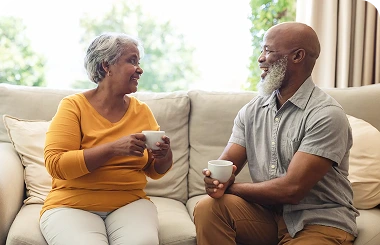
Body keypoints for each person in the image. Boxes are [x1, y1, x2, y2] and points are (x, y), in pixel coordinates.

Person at [194, 22, 358, 245]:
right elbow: (225, 166)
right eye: (262, 50)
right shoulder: (252, 111)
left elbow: (292, 190)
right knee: (208, 208)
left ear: (298, 56)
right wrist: (214, 181)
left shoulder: (326, 115)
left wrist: (231, 187)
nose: (260, 58)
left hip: (319, 221)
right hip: (269, 216)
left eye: (268, 50)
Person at [39, 32, 173, 245]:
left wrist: (164, 156)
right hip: (71, 204)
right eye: (132, 61)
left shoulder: (142, 111)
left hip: (130, 203)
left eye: (139, 62)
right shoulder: (73, 106)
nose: (140, 69)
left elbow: (153, 170)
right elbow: (56, 164)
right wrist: (113, 149)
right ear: (106, 66)